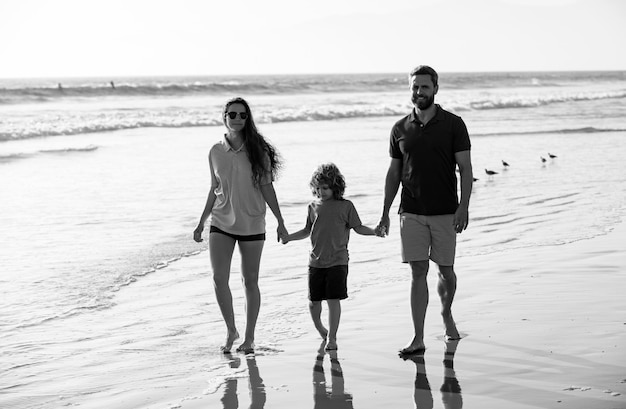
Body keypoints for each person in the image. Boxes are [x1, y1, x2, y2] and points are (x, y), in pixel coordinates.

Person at [377, 65, 473, 355]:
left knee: (446, 271)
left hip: (445, 211)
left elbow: (466, 169)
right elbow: (393, 174)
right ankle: (418, 337)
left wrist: (463, 207)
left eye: (424, 87)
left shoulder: (454, 124)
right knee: (418, 272)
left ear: (436, 89)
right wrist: (384, 212)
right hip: (411, 212)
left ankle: (446, 315)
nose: (419, 92)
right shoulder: (400, 128)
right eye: (414, 87)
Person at [193, 97, 288, 354]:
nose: (237, 119)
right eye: (232, 114)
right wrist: (202, 221)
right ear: (223, 117)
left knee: (250, 281)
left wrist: (280, 220)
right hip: (221, 221)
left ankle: (249, 338)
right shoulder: (215, 151)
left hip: (252, 223)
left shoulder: (259, 151)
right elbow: (214, 189)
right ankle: (230, 330)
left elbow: (267, 187)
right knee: (218, 278)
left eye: (242, 115)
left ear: (248, 118)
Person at [282, 163, 381, 351]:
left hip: (338, 261)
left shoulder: (346, 206)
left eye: (325, 188)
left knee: (333, 300)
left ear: (336, 187)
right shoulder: (312, 206)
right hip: (316, 262)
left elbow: (358, 227)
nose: (321, 192)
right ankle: (321, 329)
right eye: (317, 188)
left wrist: (375, 231)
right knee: (313, 302)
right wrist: (289, 238)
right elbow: (306, 230)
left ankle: (332, 338)